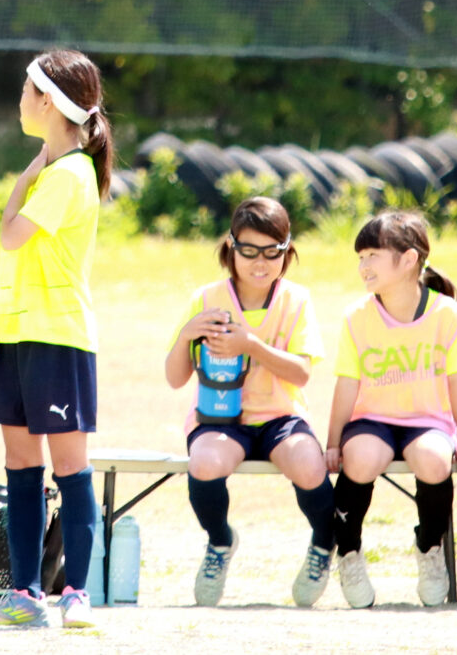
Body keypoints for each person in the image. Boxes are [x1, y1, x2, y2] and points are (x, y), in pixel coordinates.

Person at [0, 50, 113, 630]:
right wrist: (33, 172)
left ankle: (76, 593)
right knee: (20, 465)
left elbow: (7, 236)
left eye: (29, 92)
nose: (21, 101)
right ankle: (23, 593)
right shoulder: (57, 170)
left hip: (59, 337)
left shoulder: (70, 173)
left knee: (70, 468)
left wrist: (27, 177)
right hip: (19, 334)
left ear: (50, 103)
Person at [168, 196, 331, 609]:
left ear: (286, 251)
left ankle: (324, 542)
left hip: (281, 416)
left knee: (310, 464)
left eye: (272, 252)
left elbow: (302, 373)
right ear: (231, 248)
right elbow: (174, 378)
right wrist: (187, 334)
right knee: (203, 462)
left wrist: (251, 345)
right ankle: (220, 541)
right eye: (250, 251)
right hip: (220, 418)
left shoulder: (296, 300)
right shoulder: (208, 298)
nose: (261, 262)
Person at [324, 210, 457, 610]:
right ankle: (349, 552)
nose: (364, 266)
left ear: (408, 259)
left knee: (433, 461)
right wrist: (331, 443)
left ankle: (430, 548)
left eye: (373, 255)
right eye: (360, 257)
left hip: (426, 422)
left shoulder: (450, 315)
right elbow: (346, 385)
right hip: (371, 421)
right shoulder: (357, 317)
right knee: (361, 459)